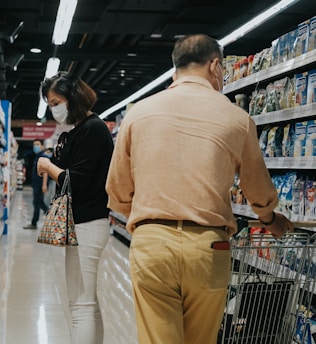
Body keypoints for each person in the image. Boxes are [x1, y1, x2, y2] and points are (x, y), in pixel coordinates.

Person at [105, 33, 294, 344]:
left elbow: (117, 190)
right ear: (216, 66)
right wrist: (269, 220)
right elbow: (257, 188)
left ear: (175, 67)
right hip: (208, 247)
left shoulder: (139, 112)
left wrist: (147, 222)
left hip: (152, 244)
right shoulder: (237, 118)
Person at [36, 71, 114, 344]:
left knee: (80, 305)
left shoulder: (92, 129)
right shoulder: (79, 130)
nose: (53, 108)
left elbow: (75, 182)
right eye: (50, 104)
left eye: (56, 102)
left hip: (87, 224)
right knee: (88, 303)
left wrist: (47, 166)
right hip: (83, 223)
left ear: (73, 98)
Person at [23, 139, 49, 229]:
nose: (35, 146)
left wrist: (44, 185)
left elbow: (45, 172)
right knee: (39, 203)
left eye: (37, 144)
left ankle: (34, 223)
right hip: (36, 184)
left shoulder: (43, 157)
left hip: (39, 184)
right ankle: (53, 217)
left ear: (42, 146)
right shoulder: (38, 156)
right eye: (34, 145)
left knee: (37, 203)